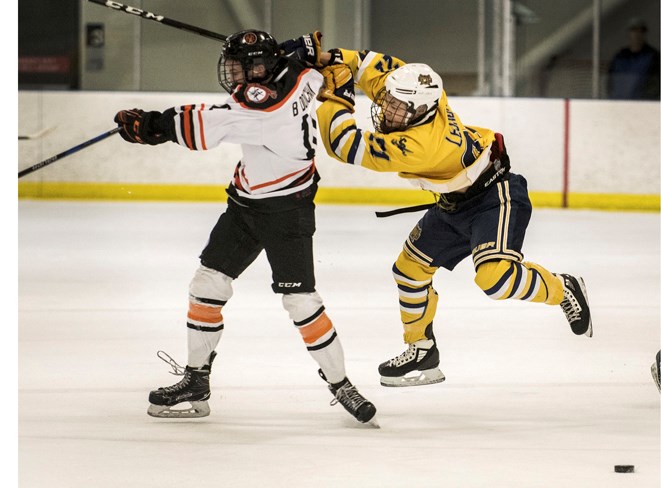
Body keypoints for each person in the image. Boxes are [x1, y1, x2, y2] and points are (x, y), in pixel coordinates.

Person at [282, 34, 592, 387]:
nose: (387, 109)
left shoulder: (419, 146)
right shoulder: (421, 90)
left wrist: (334, 95)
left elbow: (343, 144)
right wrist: (325, 56)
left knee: (495, 278)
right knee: (409, 269)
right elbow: (368, 64)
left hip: (496, 196)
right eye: (388, 101)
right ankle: (421, 348)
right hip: (454, 203)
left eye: (398, 108)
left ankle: (562, 288)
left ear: (421, 111)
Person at [112, 30, 376, 424]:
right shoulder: (303, 74)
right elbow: (309, 58)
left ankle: (342, 385)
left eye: (239, 65)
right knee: (207, 284)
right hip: (246, 204)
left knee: (300, 301)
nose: (231, 72)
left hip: (287, 211)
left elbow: (204, 124)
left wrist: (151, 126)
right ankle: (196, 380)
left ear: (259, 68)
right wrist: (298, 47)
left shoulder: (259, 110)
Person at [607, 17, 660, 100]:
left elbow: (656, 85)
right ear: (628, 33)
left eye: (641, 31)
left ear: (644, 34)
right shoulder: (620, 56)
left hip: (643, 106)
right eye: (634, 30)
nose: (637, 34)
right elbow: (610, 82)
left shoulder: (653, 57)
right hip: (619, 105)